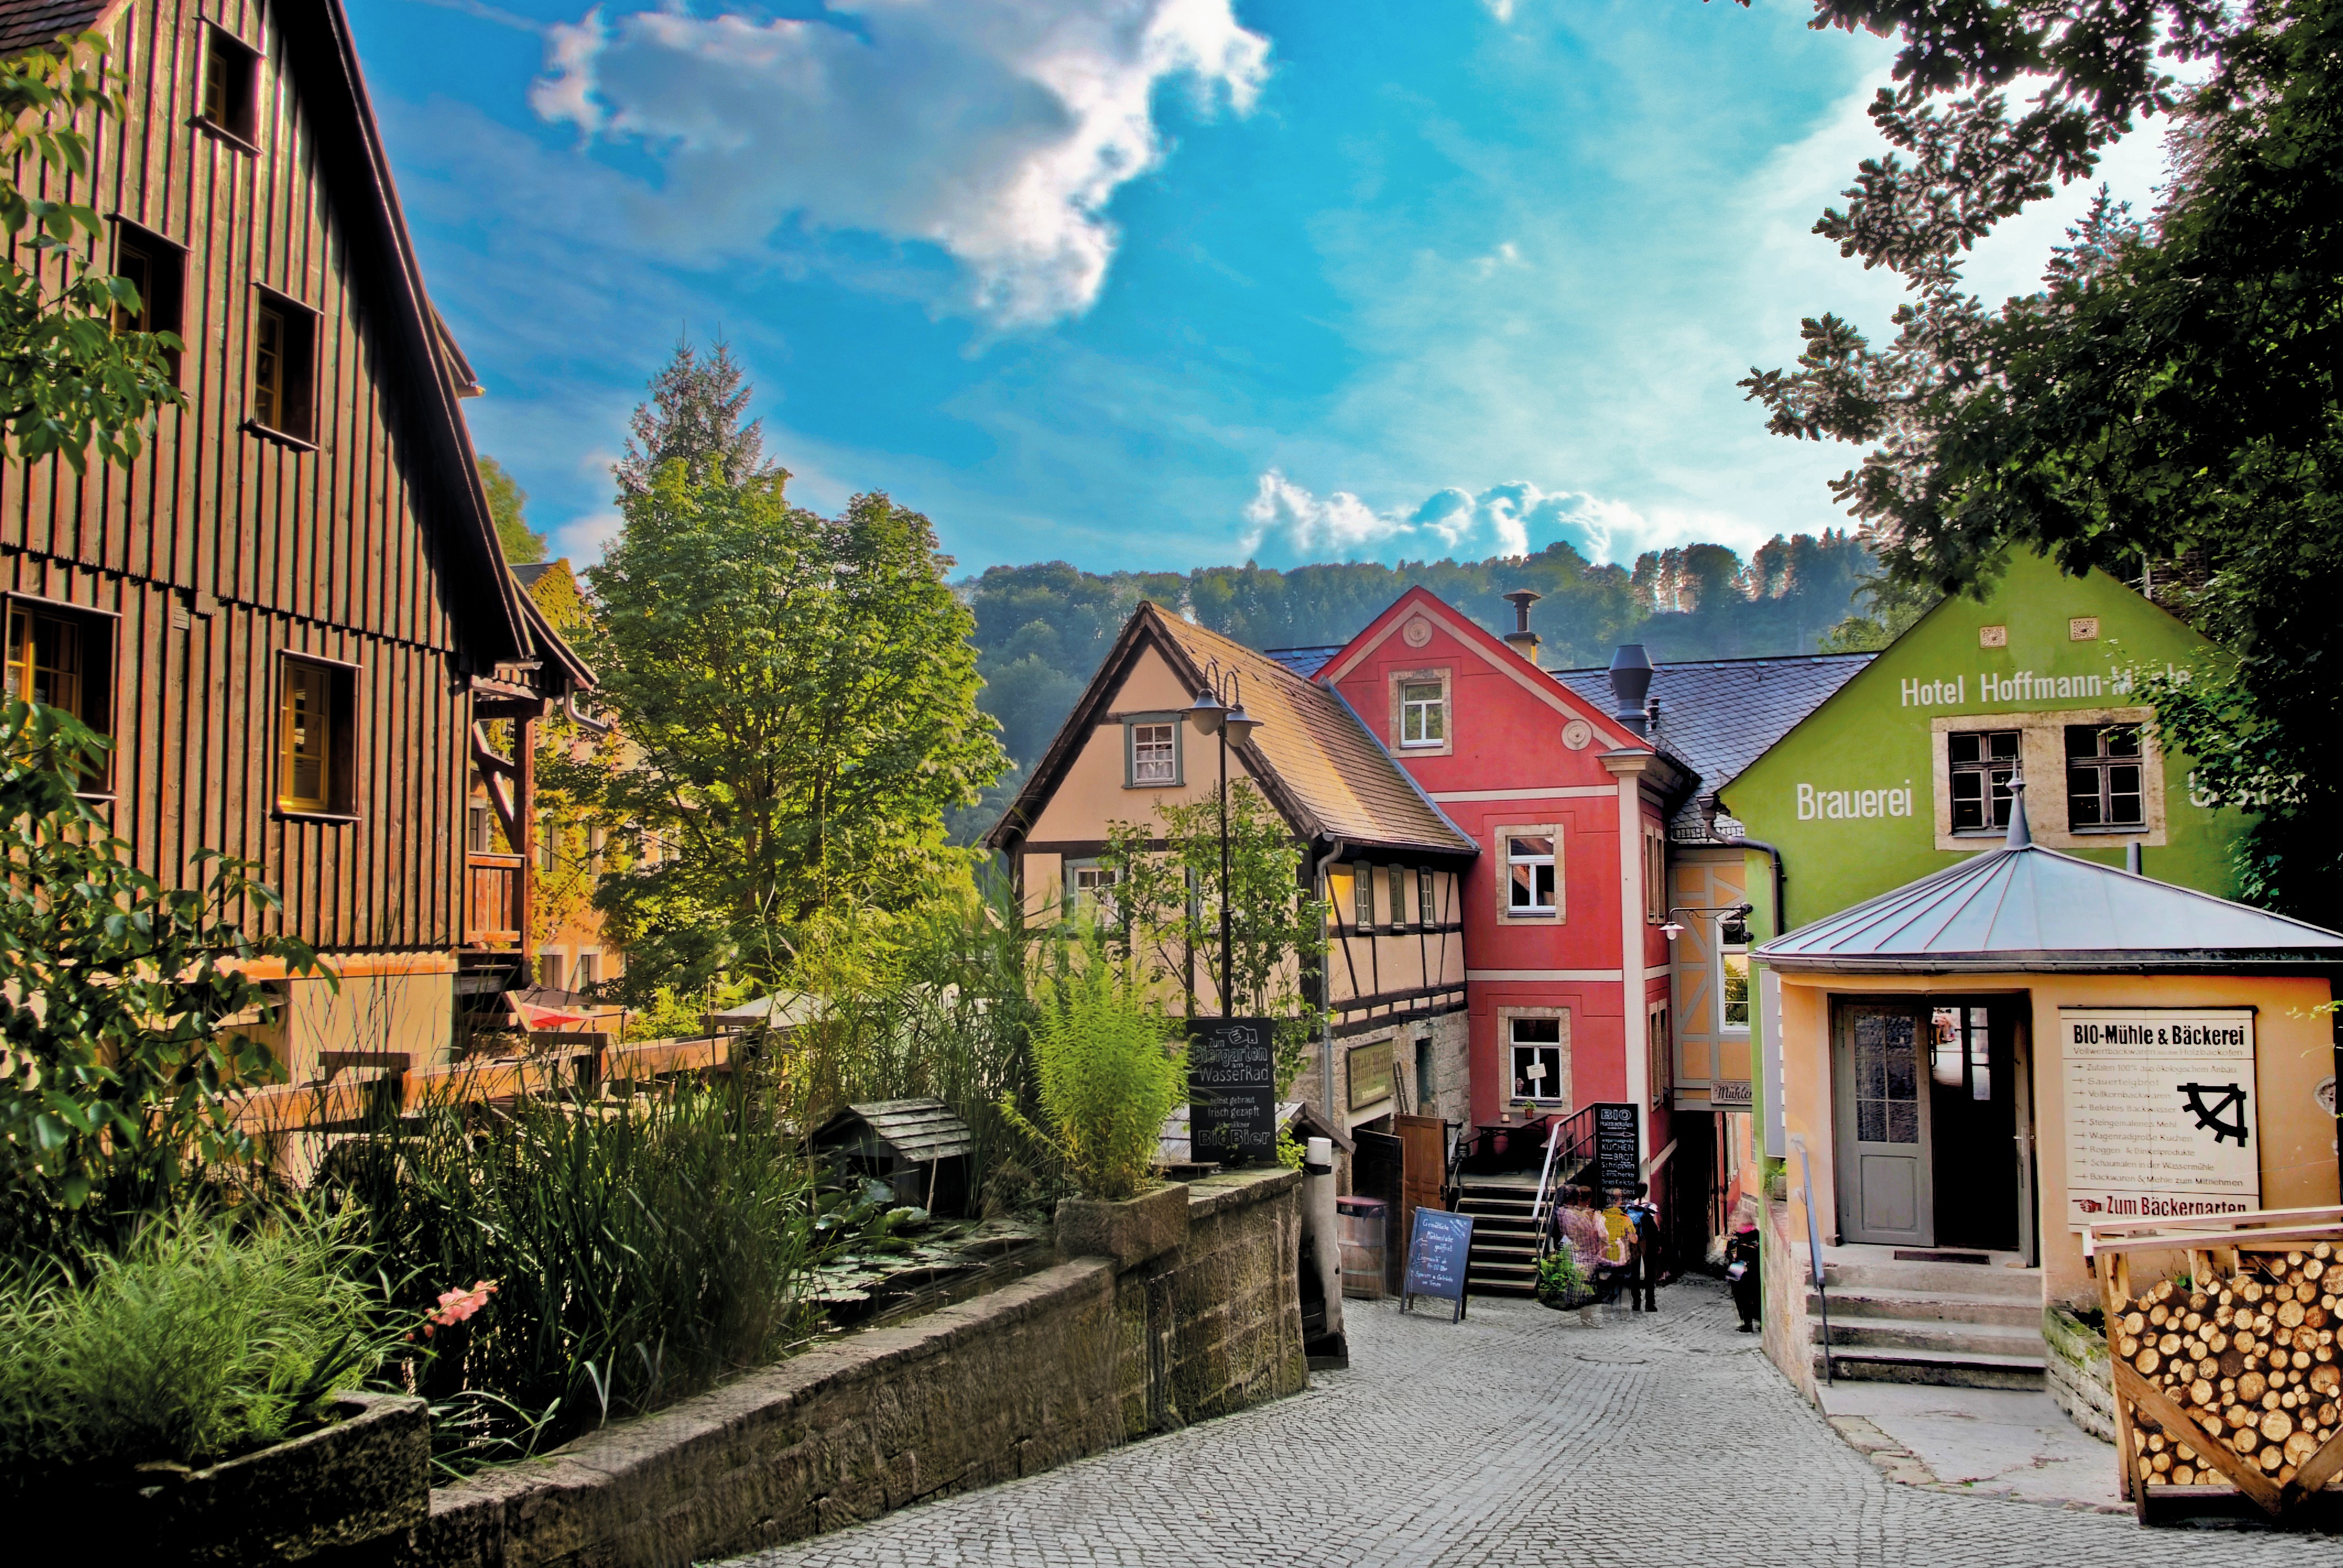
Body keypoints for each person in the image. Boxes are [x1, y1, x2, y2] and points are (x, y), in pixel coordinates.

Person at [1554, 1185, 1608, 1326]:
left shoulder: (1564, 1213)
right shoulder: (1593, 1215)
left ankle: (1579, 1312)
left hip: (1574, 1253)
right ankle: (1587, 1317)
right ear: (1590, 1198)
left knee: (1578, 1285)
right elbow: (1603, 1235)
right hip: (1590, 1256)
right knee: (1589, 1289)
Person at [1625, 1181, 1661, 1313]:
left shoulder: (1629, 1207)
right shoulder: (1652, 1207)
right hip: (1648, 1243)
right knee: (1650, 1273)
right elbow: (1656, 1227)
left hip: (1634, 1242)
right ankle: (1650, 1303)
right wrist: (1658, 1244)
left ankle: (1636, 1303)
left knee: (1634, 1272)